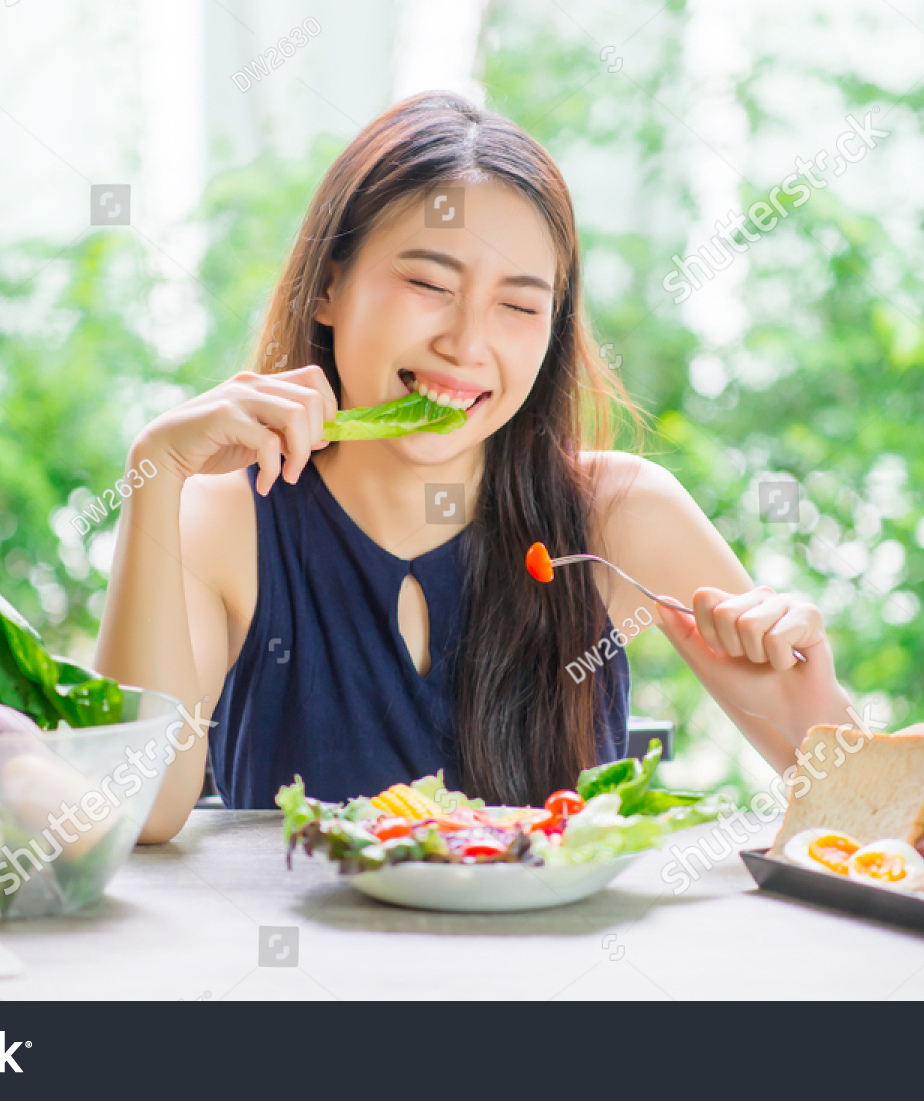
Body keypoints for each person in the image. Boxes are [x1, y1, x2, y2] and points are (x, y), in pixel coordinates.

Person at [96, 92, 856, 843]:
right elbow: (138, 812)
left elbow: (864, 818)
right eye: (429, 285)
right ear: (327, 286)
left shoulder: (620, 514)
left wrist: (805, 682)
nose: (467, 344)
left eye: (519, 307)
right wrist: (155, 473)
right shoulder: (223, 518)